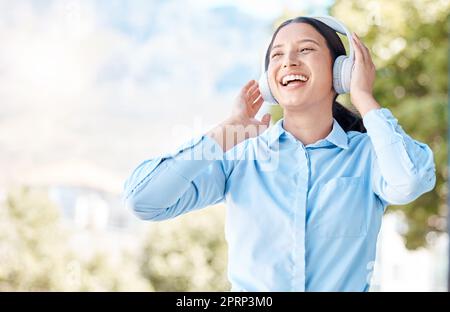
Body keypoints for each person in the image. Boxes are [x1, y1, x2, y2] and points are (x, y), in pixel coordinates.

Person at [123, 16, 436, 291]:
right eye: (277, 55)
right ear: (268, 80)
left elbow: (409, 181)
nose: (289, 61)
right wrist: (226, 131)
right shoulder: (240, 156)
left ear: (342, 71)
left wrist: (364, 97)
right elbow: (144, 201)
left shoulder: (369, 156)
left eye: (306, 50)